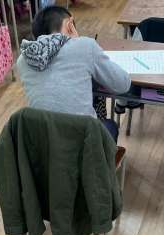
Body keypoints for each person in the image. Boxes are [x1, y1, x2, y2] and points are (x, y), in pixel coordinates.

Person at [16, 6, 131, 142]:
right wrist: (77, 40)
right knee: (110, 126)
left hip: (44, 146)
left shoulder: (23, 60)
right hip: (85, 146)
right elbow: (123, 84)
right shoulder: (85, 46)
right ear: (69, 24)